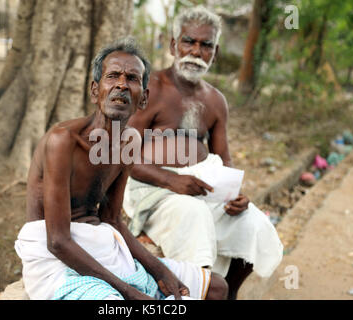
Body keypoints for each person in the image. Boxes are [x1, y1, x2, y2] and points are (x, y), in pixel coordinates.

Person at [14, 37, 228, 300]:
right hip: (55, 262)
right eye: (112, 76)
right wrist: (130, 294)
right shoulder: (63, 141)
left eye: (132, 79)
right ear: (95, 91)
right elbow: (57, 241)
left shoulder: (129, 140)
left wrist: (160, 270)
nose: (121, 85)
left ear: (144, 98)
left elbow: (112, 219)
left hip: (102, 247)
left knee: (217, 288)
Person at [123, 7, 283, 300]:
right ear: (174, 45)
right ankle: (196, 293)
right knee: (193, 215)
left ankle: (227, 295)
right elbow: (123, 154)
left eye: (205, 45)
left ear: (215, 52)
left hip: (201, 188)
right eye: (189, 42)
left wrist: (235, 194)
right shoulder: (150, 89)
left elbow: (224, 159)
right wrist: (171, 180)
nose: (196, 51)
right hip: (152, 188)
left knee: (253, 223)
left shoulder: (215, 100)